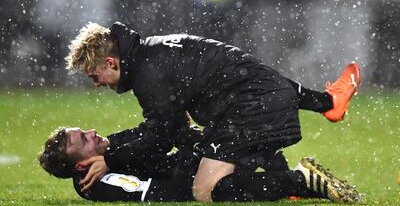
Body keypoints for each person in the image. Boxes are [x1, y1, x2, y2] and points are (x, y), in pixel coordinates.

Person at [65, 21, 361, 201]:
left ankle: (300, 181)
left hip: (251, 107)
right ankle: (287, 176)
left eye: (95, 76)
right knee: (212, 149)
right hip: (257, 101)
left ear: (111, 63)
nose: (96, 84)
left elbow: (162, 134)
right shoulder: (150, 53)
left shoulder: (147, 73)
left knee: (204, 190)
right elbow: (238, 70)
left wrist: (111, 158)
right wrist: (318, 102)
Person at [38, 127, 361, 202]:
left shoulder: (104, 154)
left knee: (219, 180)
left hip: (182, 166)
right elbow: (161, 193)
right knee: (219, 188)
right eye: (84, 138)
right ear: (81, 166)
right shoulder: (98, 184)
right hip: (182, 176)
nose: (93, 133)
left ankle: (291, 177)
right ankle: (298, 180)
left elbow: (149, 134)